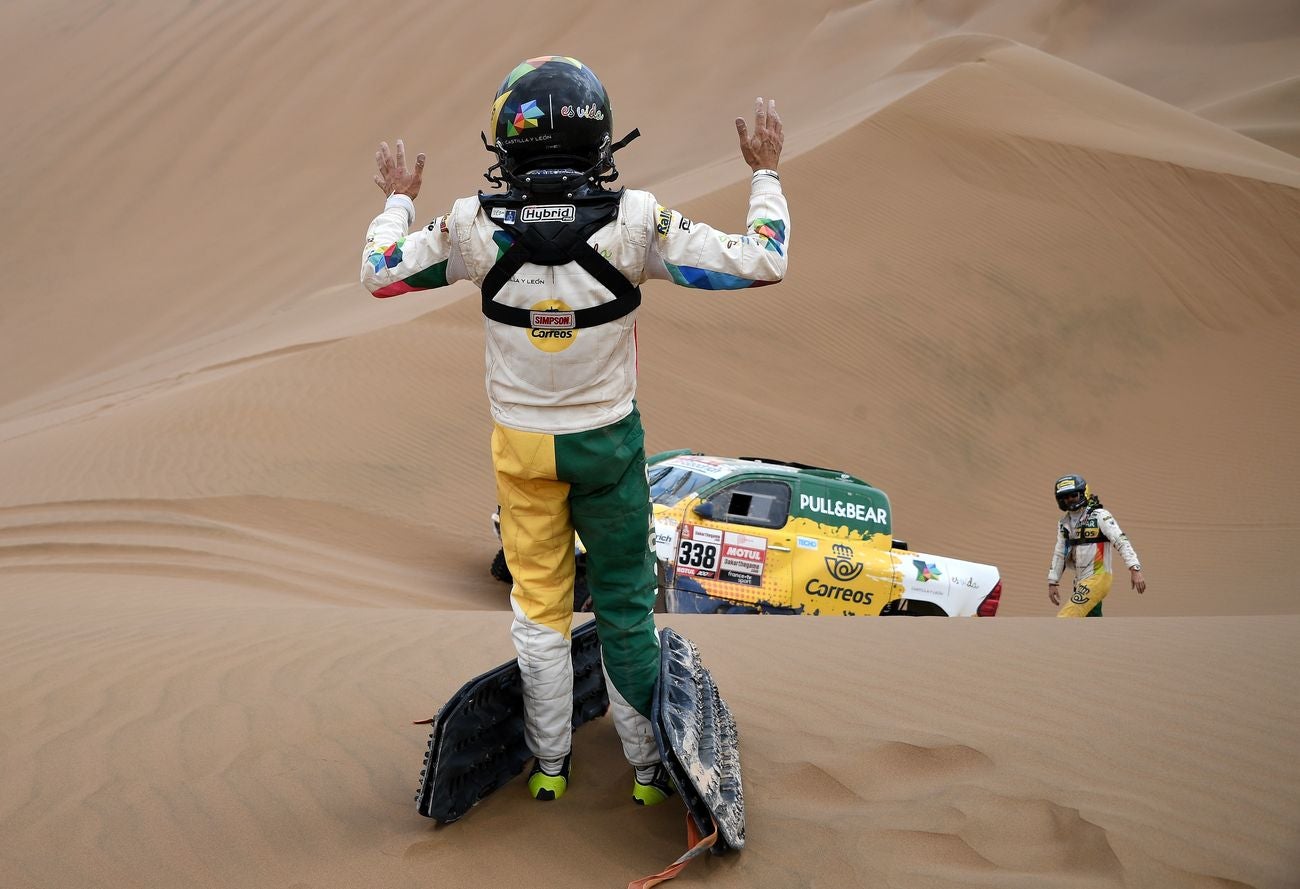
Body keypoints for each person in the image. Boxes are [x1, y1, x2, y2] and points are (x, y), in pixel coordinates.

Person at [360, 56, 788, 804]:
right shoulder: (636, 219)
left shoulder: (470, 225)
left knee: (538, 607)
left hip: (522, 451)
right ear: (599, 138)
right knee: (624, 601)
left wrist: (398, 201)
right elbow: (762, 262)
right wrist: (766, 177)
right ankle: (650, 769)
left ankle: (550, 765)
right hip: (610, 448)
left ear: (506, 138)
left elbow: (380, 271)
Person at [1047, 474, 1146, 617]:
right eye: (1065, 497)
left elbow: (1121, 541)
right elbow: (1060, 553)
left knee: (1067, 616)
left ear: (1083, 493)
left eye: (1073, 495)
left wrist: (1135, 569)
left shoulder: (1100, 515)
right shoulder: (1064, 524)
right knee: (1091, 623)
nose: (1069, 500)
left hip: (1099, 577)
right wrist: (1053, 582)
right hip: (1080, 581)